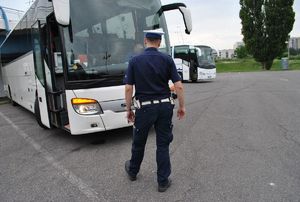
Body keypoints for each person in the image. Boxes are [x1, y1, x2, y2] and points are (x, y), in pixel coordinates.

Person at [124, 28, 185, 192]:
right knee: (163, 145)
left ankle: (133, 171)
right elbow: (178, 86)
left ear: (145, 41)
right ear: (159, 42)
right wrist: (182, 107)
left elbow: (129, 88)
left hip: (144, 109)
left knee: (139, 142)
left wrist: (128, 109)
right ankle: (163, 181)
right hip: (165, 107)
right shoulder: (167, 59)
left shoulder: (135, 61)